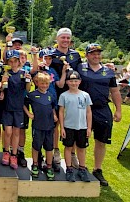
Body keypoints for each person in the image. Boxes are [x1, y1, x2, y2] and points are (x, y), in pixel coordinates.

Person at [77, 43, 122, 186]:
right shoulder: (80, 68)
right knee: (80, 138)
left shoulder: (108, 71)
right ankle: (80, 166)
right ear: (87, 55)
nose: (96, 56)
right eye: (92, 53)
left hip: (102, 109)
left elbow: (114, 91)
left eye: (98, 53)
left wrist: (119, 109)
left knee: (101, 141)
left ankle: (97, 169)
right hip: (82, 109)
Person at [50, 28, 81, 167]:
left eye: (68, 38)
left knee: (72, 123)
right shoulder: (51, 54)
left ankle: (72, 153)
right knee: (55, 123)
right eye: (63, 38)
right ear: (57, 39)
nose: (66, 41)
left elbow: (81, 73)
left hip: (72, 94)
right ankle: (56, 150)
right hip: (55, 93)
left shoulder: (75, 55)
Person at [58, 70, 92, 183]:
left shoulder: (85, 95)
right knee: (68, 147)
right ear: (67, 82)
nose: (74, 83)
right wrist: (62, 127)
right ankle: (69, 169)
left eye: (76, 81)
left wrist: (88, 127)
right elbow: (61, 112)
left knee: (81, 148)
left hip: (82, 127)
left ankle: (82, 169)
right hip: (68, 126)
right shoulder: (64, 96)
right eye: (71, 81)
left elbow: (88, 112)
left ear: (80, 82)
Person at [0, 50, 31, 169]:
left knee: (16, 132)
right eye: (10, 61)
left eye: (15, 61)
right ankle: (6, 152)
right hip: (7, 106)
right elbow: (2, 89)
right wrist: (3, 82)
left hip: (19, 107)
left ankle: (14, 154)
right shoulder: (6, 73)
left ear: (19, 61)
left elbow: (27, 90)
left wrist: (28, 80)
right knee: (8, 132)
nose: (13, 63)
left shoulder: (23, 73)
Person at [24, 72, 58, 181]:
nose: (44, 85)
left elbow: (52, 107)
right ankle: (35, 165)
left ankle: (49, 166)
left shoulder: (50, 96)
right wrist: (29, 114)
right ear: (37, 83)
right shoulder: (32, 95)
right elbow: (23, 104)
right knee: (36, 146)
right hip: (38, 126)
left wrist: (54, 115)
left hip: (49, 126)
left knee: (49, 147)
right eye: (42, 83)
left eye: (46, 84)